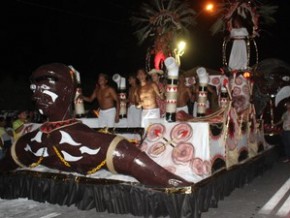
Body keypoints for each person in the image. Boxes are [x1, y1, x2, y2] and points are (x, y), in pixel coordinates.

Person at [0, 63, 190, 188]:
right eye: (34, 90)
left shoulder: (98, 143)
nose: (35, 96)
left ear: (67, 91)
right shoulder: (27, 144)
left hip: (144, 114)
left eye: (44, 89)